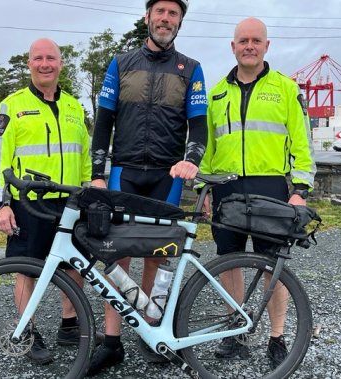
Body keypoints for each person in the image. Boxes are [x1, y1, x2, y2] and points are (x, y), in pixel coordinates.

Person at [87, 0, 208, 375]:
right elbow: (103, 122)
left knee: (159, 254)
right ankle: (112, 341)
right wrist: (97, 173)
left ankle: (150, 328)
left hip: (166, 176)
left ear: (179, 22)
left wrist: (192, 158)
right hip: (124, 172)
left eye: (173, 14)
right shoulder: (120, 64)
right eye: (161, 12)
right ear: (148, 18)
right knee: (115, 255)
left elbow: (199, 125)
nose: (166, 19)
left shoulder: (191, 69)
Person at [199, 17, 315, 370]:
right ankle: (235, 331)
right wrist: (203, 189)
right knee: (228, 261)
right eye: (242, 41)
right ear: (232, 47)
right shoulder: (217, 93)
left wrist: (301, 190)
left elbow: (302, 141)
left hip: (270, 188)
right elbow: (208, 145)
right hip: (227, 188)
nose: (249, 46)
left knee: (271, 265)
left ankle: (276, 337)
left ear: (267, 46)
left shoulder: (285, 88)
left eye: (256, 40)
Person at [0, 38, 94, 365]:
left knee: (75, 266)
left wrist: (89, 192)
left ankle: (70, 326)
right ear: (29, 64)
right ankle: (27, 332)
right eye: (38, 58)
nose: (45, 63)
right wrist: (0, 203)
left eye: (51, 58)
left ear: (61, 64)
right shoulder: (11, 106)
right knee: (27, 268)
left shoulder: (75, 107)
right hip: (29, 203)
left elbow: (85, 156)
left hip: (71, 204)